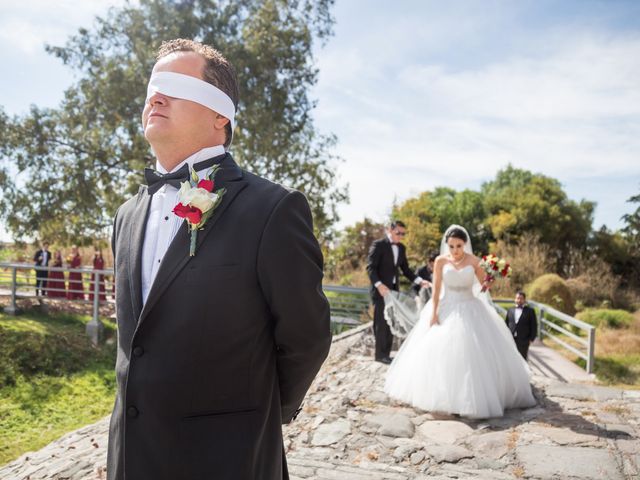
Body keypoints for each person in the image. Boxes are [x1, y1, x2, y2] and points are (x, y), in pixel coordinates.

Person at [107, 39, 331, 480]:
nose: (155, 97)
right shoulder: (125, 216)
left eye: (174, 86)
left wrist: (259, 414)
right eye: (153, 86)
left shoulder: (272, 210)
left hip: (228, 459)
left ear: (219, 115)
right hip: (132, 458)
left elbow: (305, 335)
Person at [384, 225, 536, 419]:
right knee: (440, 350)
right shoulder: (440, 261)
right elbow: (437, 288)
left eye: (459, 246)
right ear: (447, 245)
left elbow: (483, 287)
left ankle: (471, 399)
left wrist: (490, 280)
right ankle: (443, 396)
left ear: (465, 244)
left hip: (469, 306)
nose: (455, 251)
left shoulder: (474, 261)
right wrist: (434, 312)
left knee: (472, 352)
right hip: (446, 306)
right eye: (451, 246)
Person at [366, 220, 429, 364]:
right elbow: (371, 268)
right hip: (381, 290)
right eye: (398, 233)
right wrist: (379, 285)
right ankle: (380, 355)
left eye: (403, 234)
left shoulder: (402, 248)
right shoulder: (379, 245)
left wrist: (420, 281)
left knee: (391, 320)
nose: (400, 236)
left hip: (393, 290)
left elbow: (406, 270)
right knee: (381, 322)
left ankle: (387, 354)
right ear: (390, 230)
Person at [506, 291, 538, 360]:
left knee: (522, 357)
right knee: (511, 357)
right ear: (515, 299)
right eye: (517, 298)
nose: (519, 300)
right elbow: (506, 323)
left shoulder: (530, 311)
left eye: (521, 298)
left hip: (524, 339)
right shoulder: (510, 310)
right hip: (511, 338)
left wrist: (531, 339)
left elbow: (534, 325)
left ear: (524, 300)